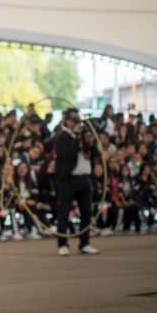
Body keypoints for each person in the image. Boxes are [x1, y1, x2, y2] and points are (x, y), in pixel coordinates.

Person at [54, 108, 100, 256]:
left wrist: (90, 143)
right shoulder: (62, 137)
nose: (77, 123)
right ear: (66, 121)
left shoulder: (83, 136)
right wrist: (76, 136)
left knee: (86, 212)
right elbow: (67, 154)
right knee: (64, 213)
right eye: (73, 120)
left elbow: (93, 153)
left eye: (78, 120)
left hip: (85, 178)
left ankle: (84, 243)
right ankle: (62, 244)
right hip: (68, 179)